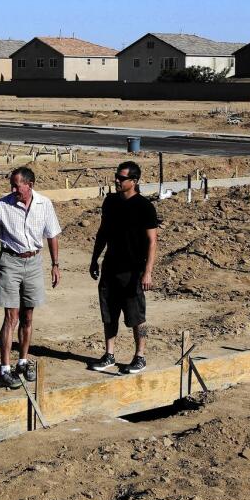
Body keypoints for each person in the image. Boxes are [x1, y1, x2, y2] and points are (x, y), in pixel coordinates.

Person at [0, 166, 62, 388]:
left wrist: (55, 265)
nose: (13, 189)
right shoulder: (1, 206)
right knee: (11, 316)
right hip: (10, 261)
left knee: (28, 315)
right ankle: (4, 369)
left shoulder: (44, 204)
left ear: (30, 185)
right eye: (12, 185)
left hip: (34, 262)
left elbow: (52, 235)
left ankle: (23, 361)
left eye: (17, 185)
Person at [88, 160, 158, 374]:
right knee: (109, 313)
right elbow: (102, 233)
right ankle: (109, 354)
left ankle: (140, 356)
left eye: (122, 178)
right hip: (110, 266)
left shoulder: (144, 207)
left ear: (134, 181)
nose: (117, 180)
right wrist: (94, 259)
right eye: (116, 176)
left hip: (133, 270)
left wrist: (148, 272)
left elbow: (152, 241)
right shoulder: (110, 202)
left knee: (137, 316)